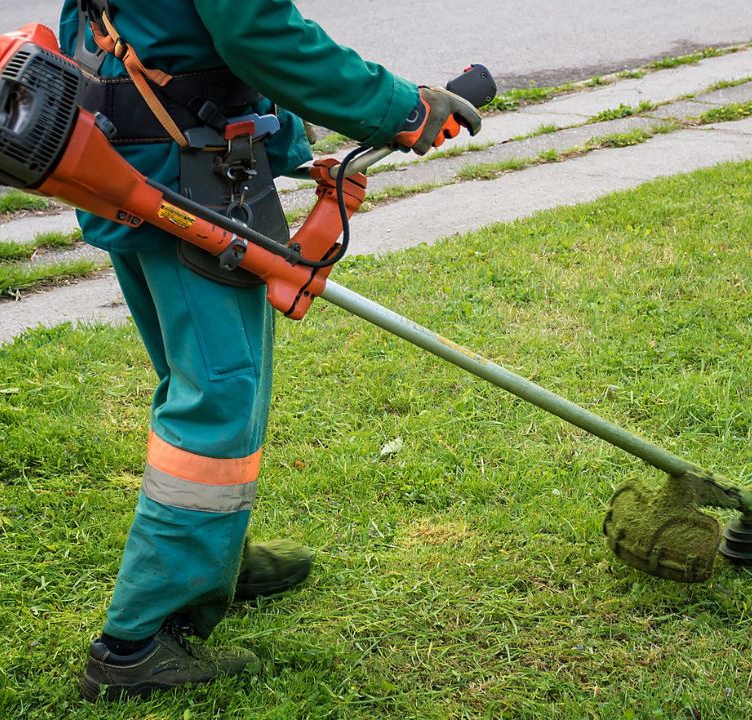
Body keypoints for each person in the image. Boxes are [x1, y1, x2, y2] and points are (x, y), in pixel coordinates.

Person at [59, 0, 481, 701]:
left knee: (200, 381)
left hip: (134, 164)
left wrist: (280, 146)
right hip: (188, 178)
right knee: (216, 400)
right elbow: (257, 30)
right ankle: (136, 645)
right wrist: (401, 110)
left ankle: (209, 560)